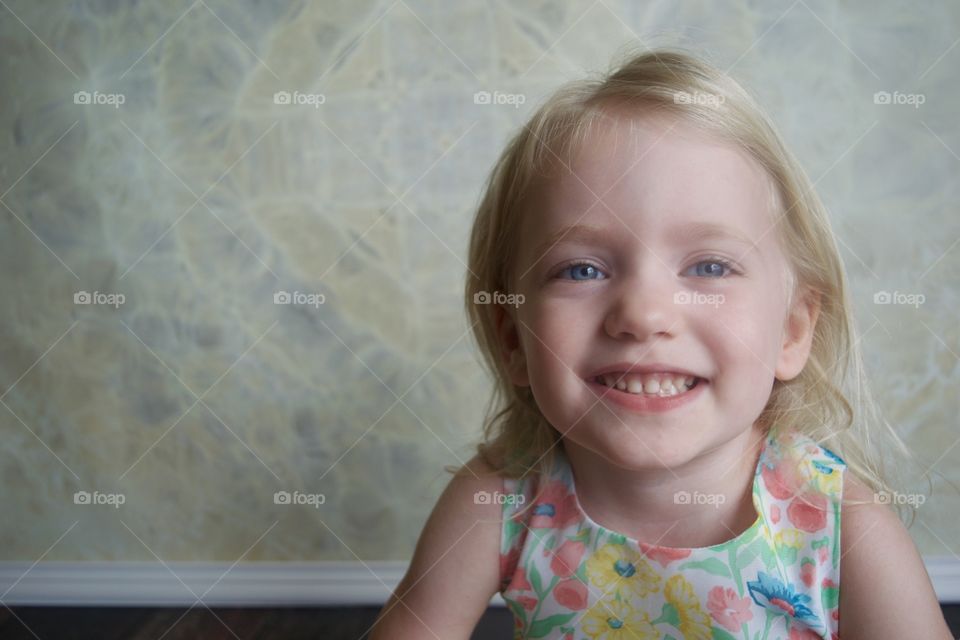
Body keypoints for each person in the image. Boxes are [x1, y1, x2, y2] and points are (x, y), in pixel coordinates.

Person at [370, 47, 953, 639]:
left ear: (792, 331)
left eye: (710, 267)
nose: (644, 316)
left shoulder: (837, 524)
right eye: (581, 271)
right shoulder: (502, 501)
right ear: (513, 339)